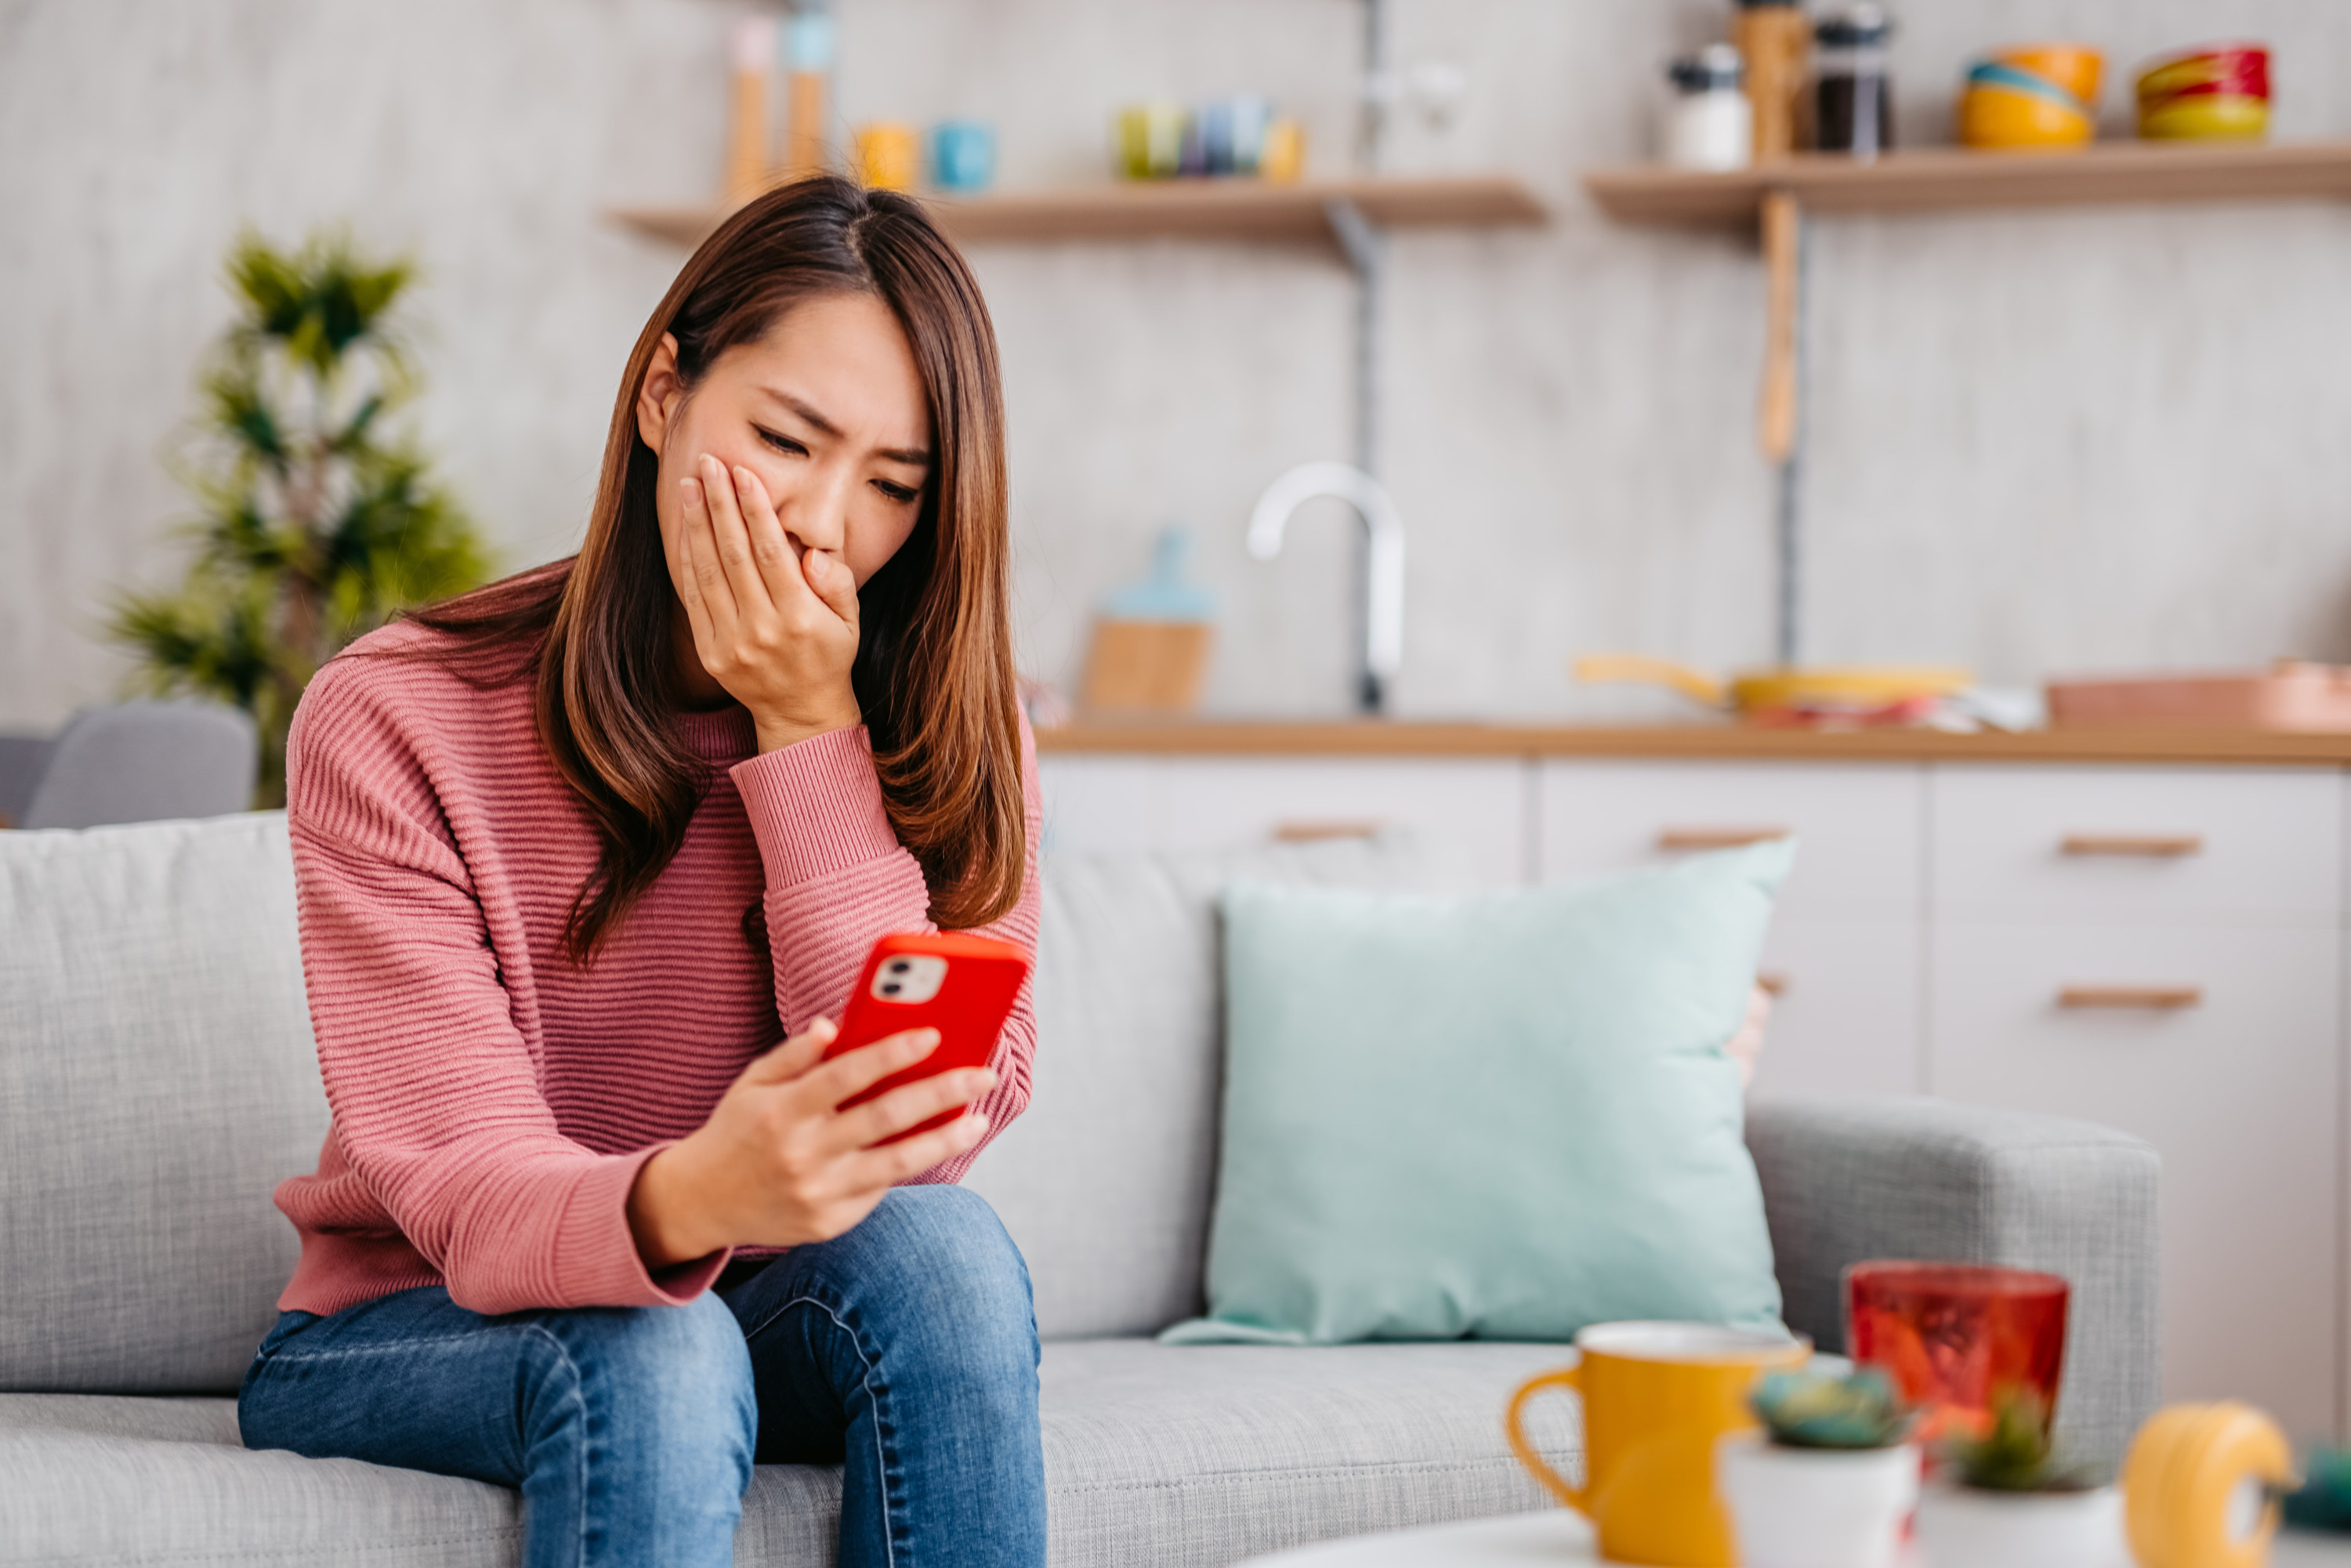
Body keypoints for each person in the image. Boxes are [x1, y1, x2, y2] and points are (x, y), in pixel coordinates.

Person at [236, 176, 1046, 1568]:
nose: (824, 525)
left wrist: (809, 732)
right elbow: (465, 1184)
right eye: (786, 440)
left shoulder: (948, 714)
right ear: (663, 394)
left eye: (893, 487)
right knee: (655, 1347)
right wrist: (696, 1196)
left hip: (754, 1293)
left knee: (949, 1258)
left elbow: (930, 1125)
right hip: (430, 1311)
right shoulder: (398, 712)